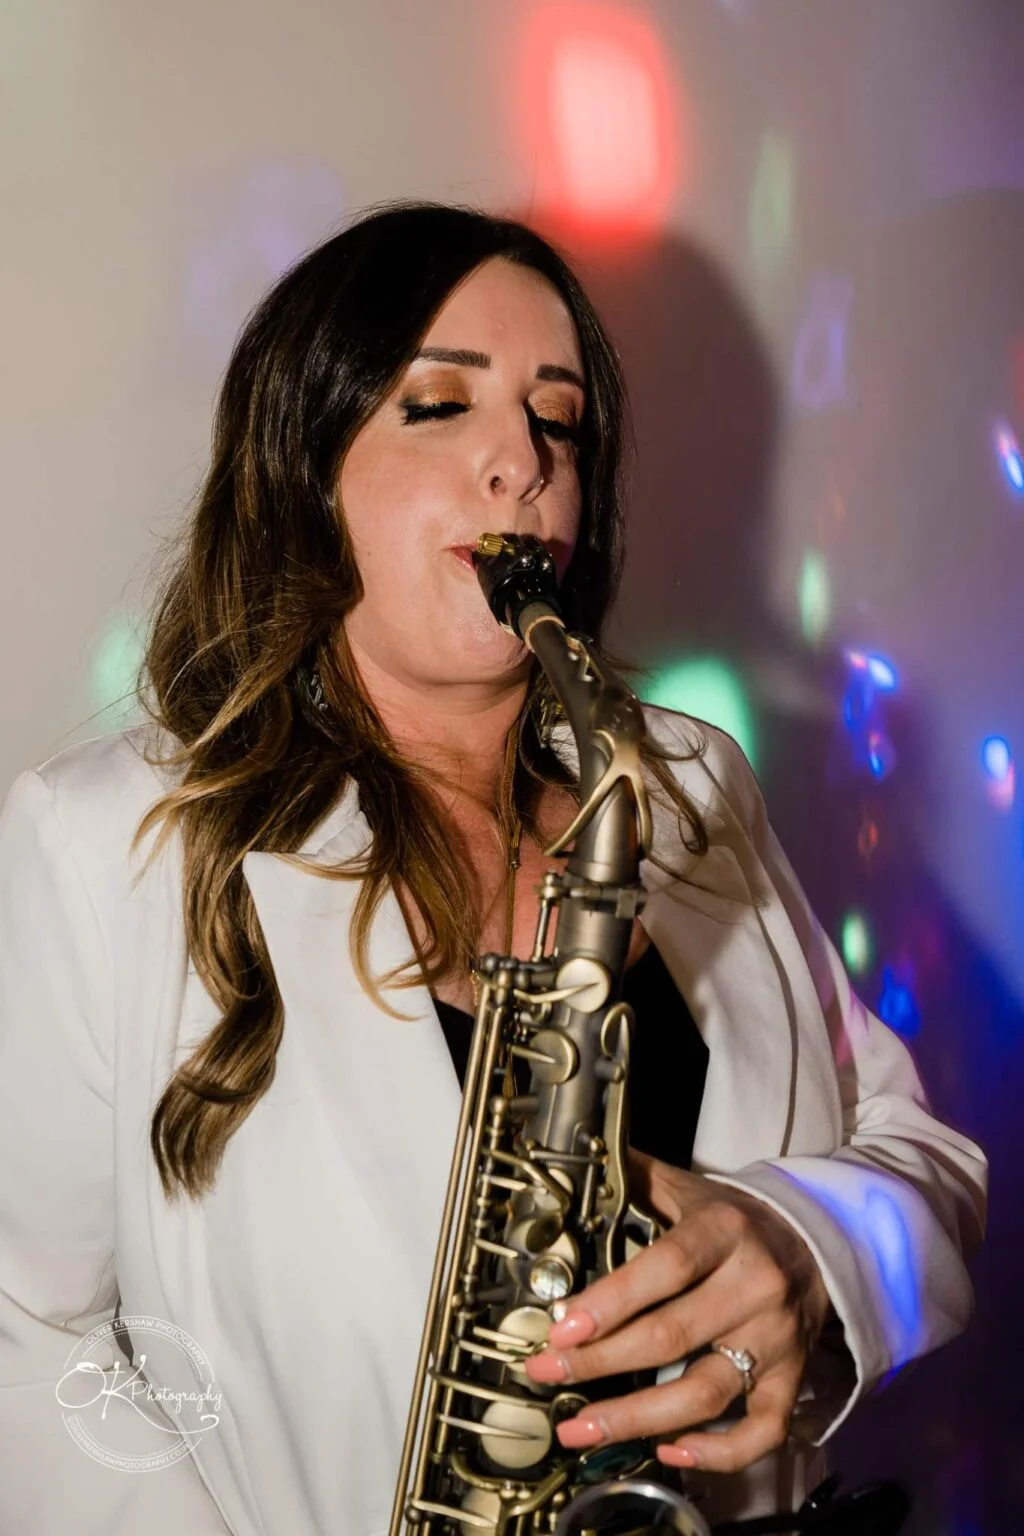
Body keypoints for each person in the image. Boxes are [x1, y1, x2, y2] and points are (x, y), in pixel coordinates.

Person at [0, 201, 985, 1535]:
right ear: (302, 468)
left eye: (557, 420)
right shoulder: (108, 843)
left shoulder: (687, 782)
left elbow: (924, 1152)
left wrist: (809, 1251)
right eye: (438, 406)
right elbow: (26, 1340)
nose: (522, 462)